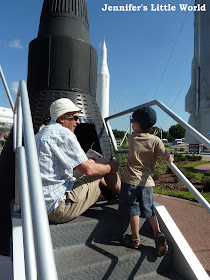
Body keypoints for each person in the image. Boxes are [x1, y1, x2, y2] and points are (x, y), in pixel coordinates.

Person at [35, 98, 120, 223]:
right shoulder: (64, 133)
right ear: (61, 118)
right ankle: (128, 198)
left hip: (40, 204)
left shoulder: (42, 133)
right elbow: (89, 170)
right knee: (100, 170)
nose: (78, 122)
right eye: (75, 118)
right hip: (57, 209)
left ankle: (122, 194)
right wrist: (111, 167)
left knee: (94, 165)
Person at [118, 106, 173, 257]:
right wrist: (171, 157)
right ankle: (158, 234)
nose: (131, 123)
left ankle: (135, 239)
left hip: (130, 181)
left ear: (137, 124)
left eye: (132, 121)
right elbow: (167, 158)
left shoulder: (131, 138)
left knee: (133, 210)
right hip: (147, 182)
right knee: (149, 211)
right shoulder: (156, 140)